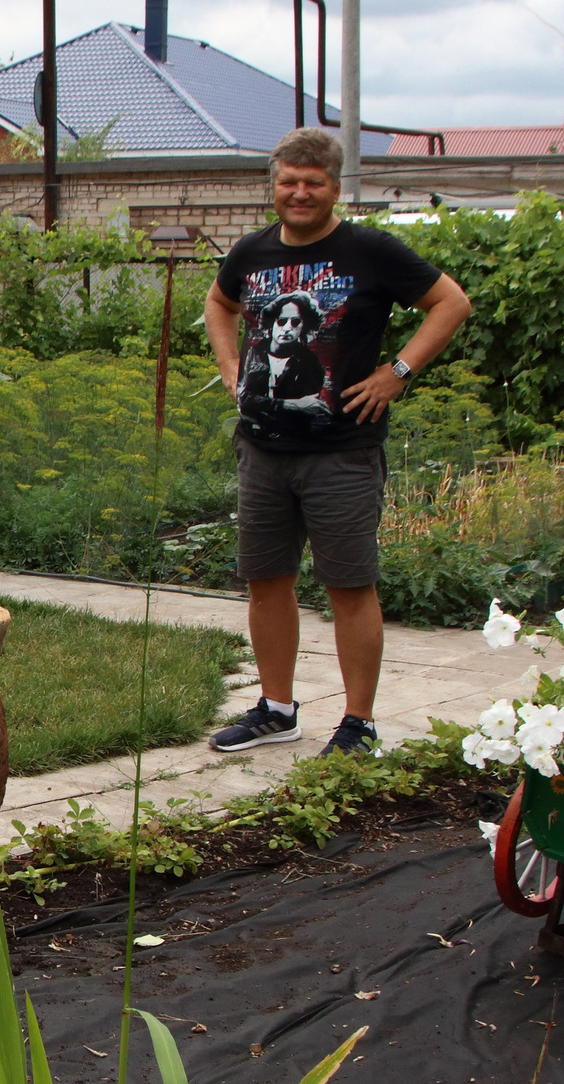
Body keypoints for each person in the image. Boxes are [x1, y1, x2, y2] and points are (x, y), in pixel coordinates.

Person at [201, 127, 471, 759]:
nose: (300, 193)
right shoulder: (252, 252)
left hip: (342, 451)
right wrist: (230, 366)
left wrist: (396, 373)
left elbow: (450, 303)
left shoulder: (368, 249)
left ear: (333, 187)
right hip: (262, 449)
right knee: (267, 580)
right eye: (289, 181)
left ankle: (358, 724)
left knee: (349, 585)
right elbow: (219, 303)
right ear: (275, 185)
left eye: (313, 183)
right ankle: (276, 709)